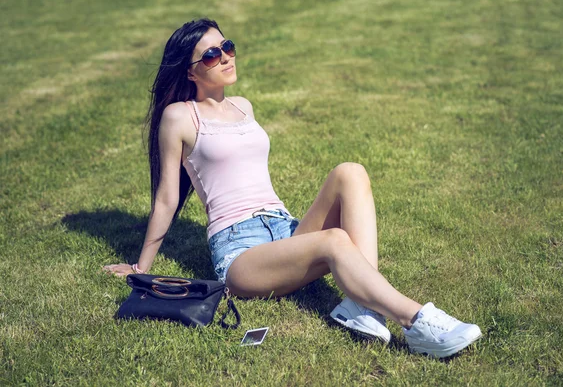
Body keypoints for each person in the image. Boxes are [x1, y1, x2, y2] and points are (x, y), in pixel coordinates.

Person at [103, 18, 482, 358]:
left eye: (228, 47)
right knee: (335, 240)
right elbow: (168, 197)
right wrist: (141, 267)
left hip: (284, 227)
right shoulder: (179, 116)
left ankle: (361, 309)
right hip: (240, 252)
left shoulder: (243, 106)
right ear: (190, 72)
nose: (226, 57)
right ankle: (417, 321)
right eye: (212, 55)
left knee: (350, 172)